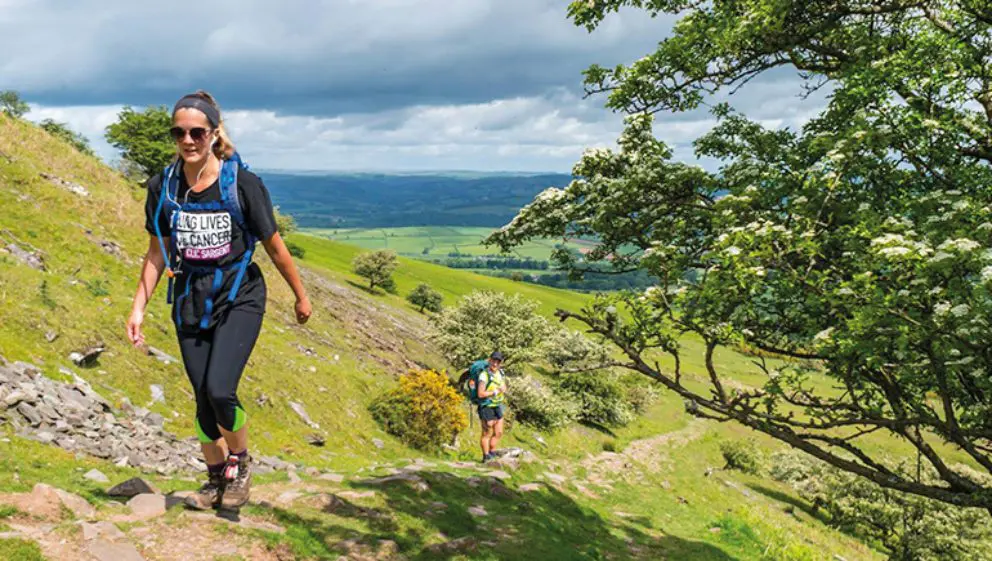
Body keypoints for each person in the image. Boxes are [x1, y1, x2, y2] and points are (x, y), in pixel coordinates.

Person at [126, 90, 312, 510]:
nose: (187, 140)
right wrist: (138, 306)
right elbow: (158, 251)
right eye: (179, 132)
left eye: (196, 132)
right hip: (190, 298)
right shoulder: (164, 186)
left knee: (220, 388)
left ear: (213, 133)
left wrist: (301, 296)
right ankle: (214, 480)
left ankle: (240, 464)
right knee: (202, 399)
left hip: (239, 295)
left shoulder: (243, 184)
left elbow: (275, 246)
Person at [474, 351, 508, 462]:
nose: (495, 364)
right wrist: (494, 392)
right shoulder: (484, 375)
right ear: (490, 360)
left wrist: (503, 389)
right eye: (494, 361)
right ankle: (486, 456)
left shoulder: (501, 373)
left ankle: (492, 452)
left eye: (498, 362)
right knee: (487, 431)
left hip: (498, 405)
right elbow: (480, 393)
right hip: (486, 405)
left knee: (498, 432)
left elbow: (503, 386)